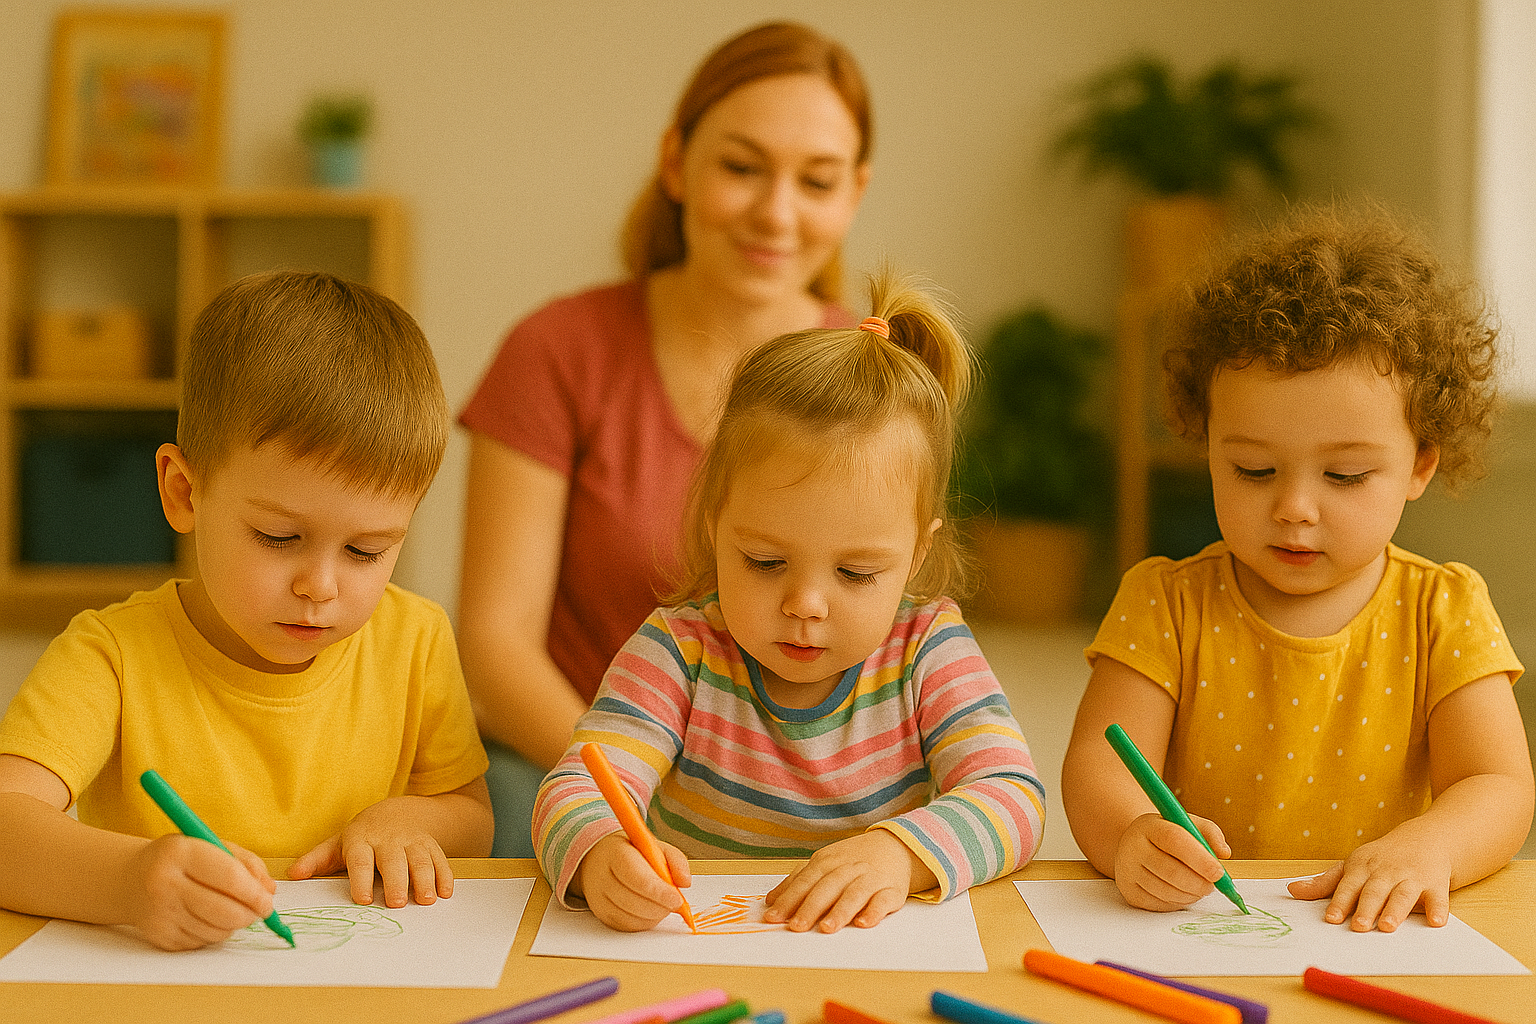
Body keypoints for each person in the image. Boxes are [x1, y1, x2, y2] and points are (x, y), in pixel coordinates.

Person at [456, 22, 873, 859]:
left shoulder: (876, 376)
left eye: (817, 181)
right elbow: (494, 650)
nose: (776, 212)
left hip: (802, 801)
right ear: (677, 162)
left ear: (855, 192)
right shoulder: (555, 349)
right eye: (742, 167)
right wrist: (653, 789)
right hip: (574, 772)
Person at [1061, 205, 1535, 934]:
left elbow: (1498, 785)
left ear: (1421, 464)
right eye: (1253, 469)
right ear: (1207, 443)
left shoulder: (1446, 609)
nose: (1294, 508)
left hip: (1376, 938)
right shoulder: (1163, 601)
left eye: (1344, 475)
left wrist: (1432, 846)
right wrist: (1131, 835)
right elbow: (1101, 764)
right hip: (1201, 936)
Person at [532, 270, 1045, 935]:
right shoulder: (680, 649)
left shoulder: (927, 648)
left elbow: (1013, 798)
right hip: (706, 957)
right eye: (766, 563)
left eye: (856, 573)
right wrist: (602, 854)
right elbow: (575, 788)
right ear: (716, 527)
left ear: (916, 555)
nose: (805, 603)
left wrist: (902, 853)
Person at [0, 271, 493, 951]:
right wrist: (128, 882)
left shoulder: (415, 639)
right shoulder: (110, 655)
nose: (320, 585)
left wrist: (408, 822)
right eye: (278, 539)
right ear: (183, 492)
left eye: (366, 550)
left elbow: (470, 814)